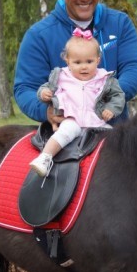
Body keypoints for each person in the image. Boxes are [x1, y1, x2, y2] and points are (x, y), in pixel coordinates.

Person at [14, 0, 137, 272]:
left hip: (113, 137)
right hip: (69, 139)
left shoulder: (119, 24)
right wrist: (47, 110)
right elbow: (24, 86)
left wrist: (114, 98)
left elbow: (135, 68)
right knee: (86, 227)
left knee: (131, 224)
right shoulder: (41, 35)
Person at [29, 31, 125, 176]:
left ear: (98, 60)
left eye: (89, 61)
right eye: (77, 62)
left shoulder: (105, 79)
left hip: (96, 121)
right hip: (71, 119)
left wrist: (111, 108)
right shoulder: (61, 76)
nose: (84, 67)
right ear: (67, 61)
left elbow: (118, 96)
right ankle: (45, 157)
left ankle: (121, 168)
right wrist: (43, 94)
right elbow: (46, 87)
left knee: (114, 137)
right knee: (64, 133)